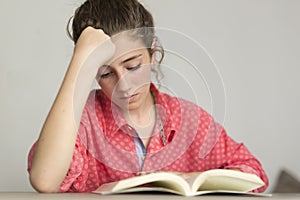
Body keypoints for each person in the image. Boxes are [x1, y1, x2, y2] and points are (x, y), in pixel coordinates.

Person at [27, 0, 269, 193]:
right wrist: (82, 60)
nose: (123, 86)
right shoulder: (84, 120)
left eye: (132, 66)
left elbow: (255, 174)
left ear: (152, 52)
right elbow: (45, 180)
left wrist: (194, 178)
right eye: (105, 73)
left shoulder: (189, 120)